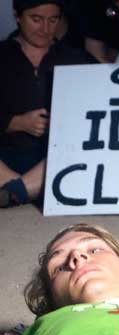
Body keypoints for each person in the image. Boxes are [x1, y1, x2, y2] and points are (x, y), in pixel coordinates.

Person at [0, 0, 93, 208]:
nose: (45, 29)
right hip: (5, 156)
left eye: (53, 20)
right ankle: (27, 189)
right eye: (36, 19)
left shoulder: (76, 59)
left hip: (52, 158)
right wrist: (16, 122)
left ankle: (16, 192)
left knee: (80, 151)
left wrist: (62, 126)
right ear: (17, 16)